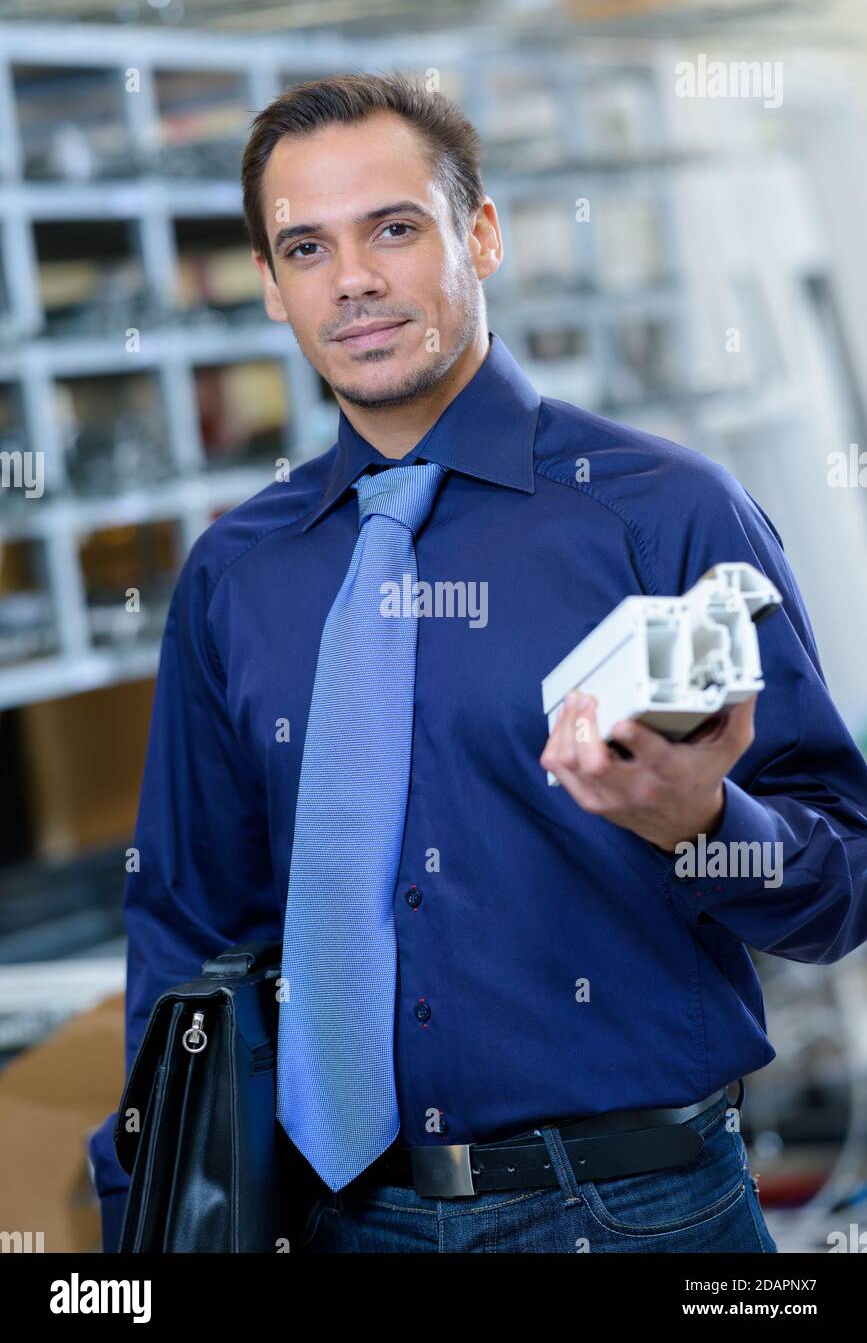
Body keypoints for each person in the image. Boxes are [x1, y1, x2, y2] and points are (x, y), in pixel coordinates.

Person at [89, 70, 867, 1254]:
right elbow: (187, 927)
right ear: (270, 285)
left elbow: (844, 878)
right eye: (306, 247)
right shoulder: (237, 574)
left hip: (632, 1215)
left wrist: (704, 823)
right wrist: (142, 1219)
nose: (352, 278)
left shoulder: (664, 514)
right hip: (340, 1223)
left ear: (482, 236)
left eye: (394, 229)